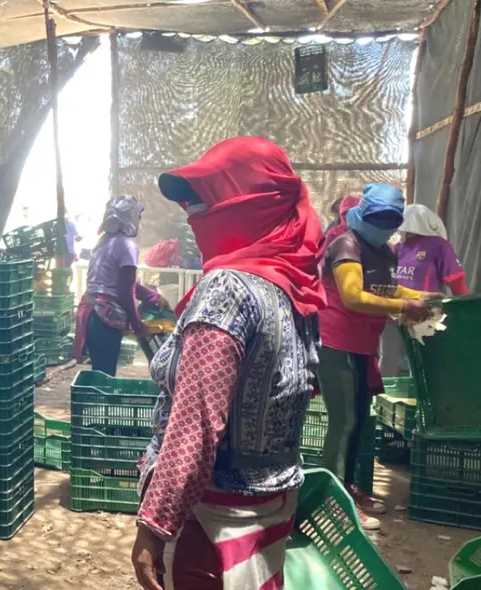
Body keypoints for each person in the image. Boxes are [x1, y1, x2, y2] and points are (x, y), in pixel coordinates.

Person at [131, 137, 325, 590]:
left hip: (211, 518)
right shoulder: (292, 285)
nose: (192, 214)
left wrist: (153, 527)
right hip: (271, 506)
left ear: (252, 203)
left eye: (205, 200)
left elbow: (196, 426)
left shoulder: (229, 289)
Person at [318, 184, 433, 531]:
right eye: (377, 218)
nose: (383, 225)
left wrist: (420, 296)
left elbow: (385, 286)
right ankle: (331, 501)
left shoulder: (384, 250)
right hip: (335, 343)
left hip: (363, 347)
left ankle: (349, 490)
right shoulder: (346, 245)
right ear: (362, 216)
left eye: (390, 220)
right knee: (344, 423)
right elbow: (353, 296)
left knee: (359, 423)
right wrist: (403, 307)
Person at [73, 195, 166, 376]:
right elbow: (125, 290)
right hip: (104, 317)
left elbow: (124, 283)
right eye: (137, 216)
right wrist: (137, 322)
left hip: (90, 313)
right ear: (129, 217)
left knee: (99, 373)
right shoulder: (126, 245)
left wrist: (152, 296)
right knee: (106, 376)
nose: (139, 221)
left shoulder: (104, 242)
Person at [380, 203, 467, 376]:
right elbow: (457, 282)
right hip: (419, 313)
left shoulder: (411, 247)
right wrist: (467, 309)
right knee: (423, 362)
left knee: (391, 359)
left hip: (403, 312)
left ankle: (384, 398)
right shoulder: (403, 247)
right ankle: (422, 399)